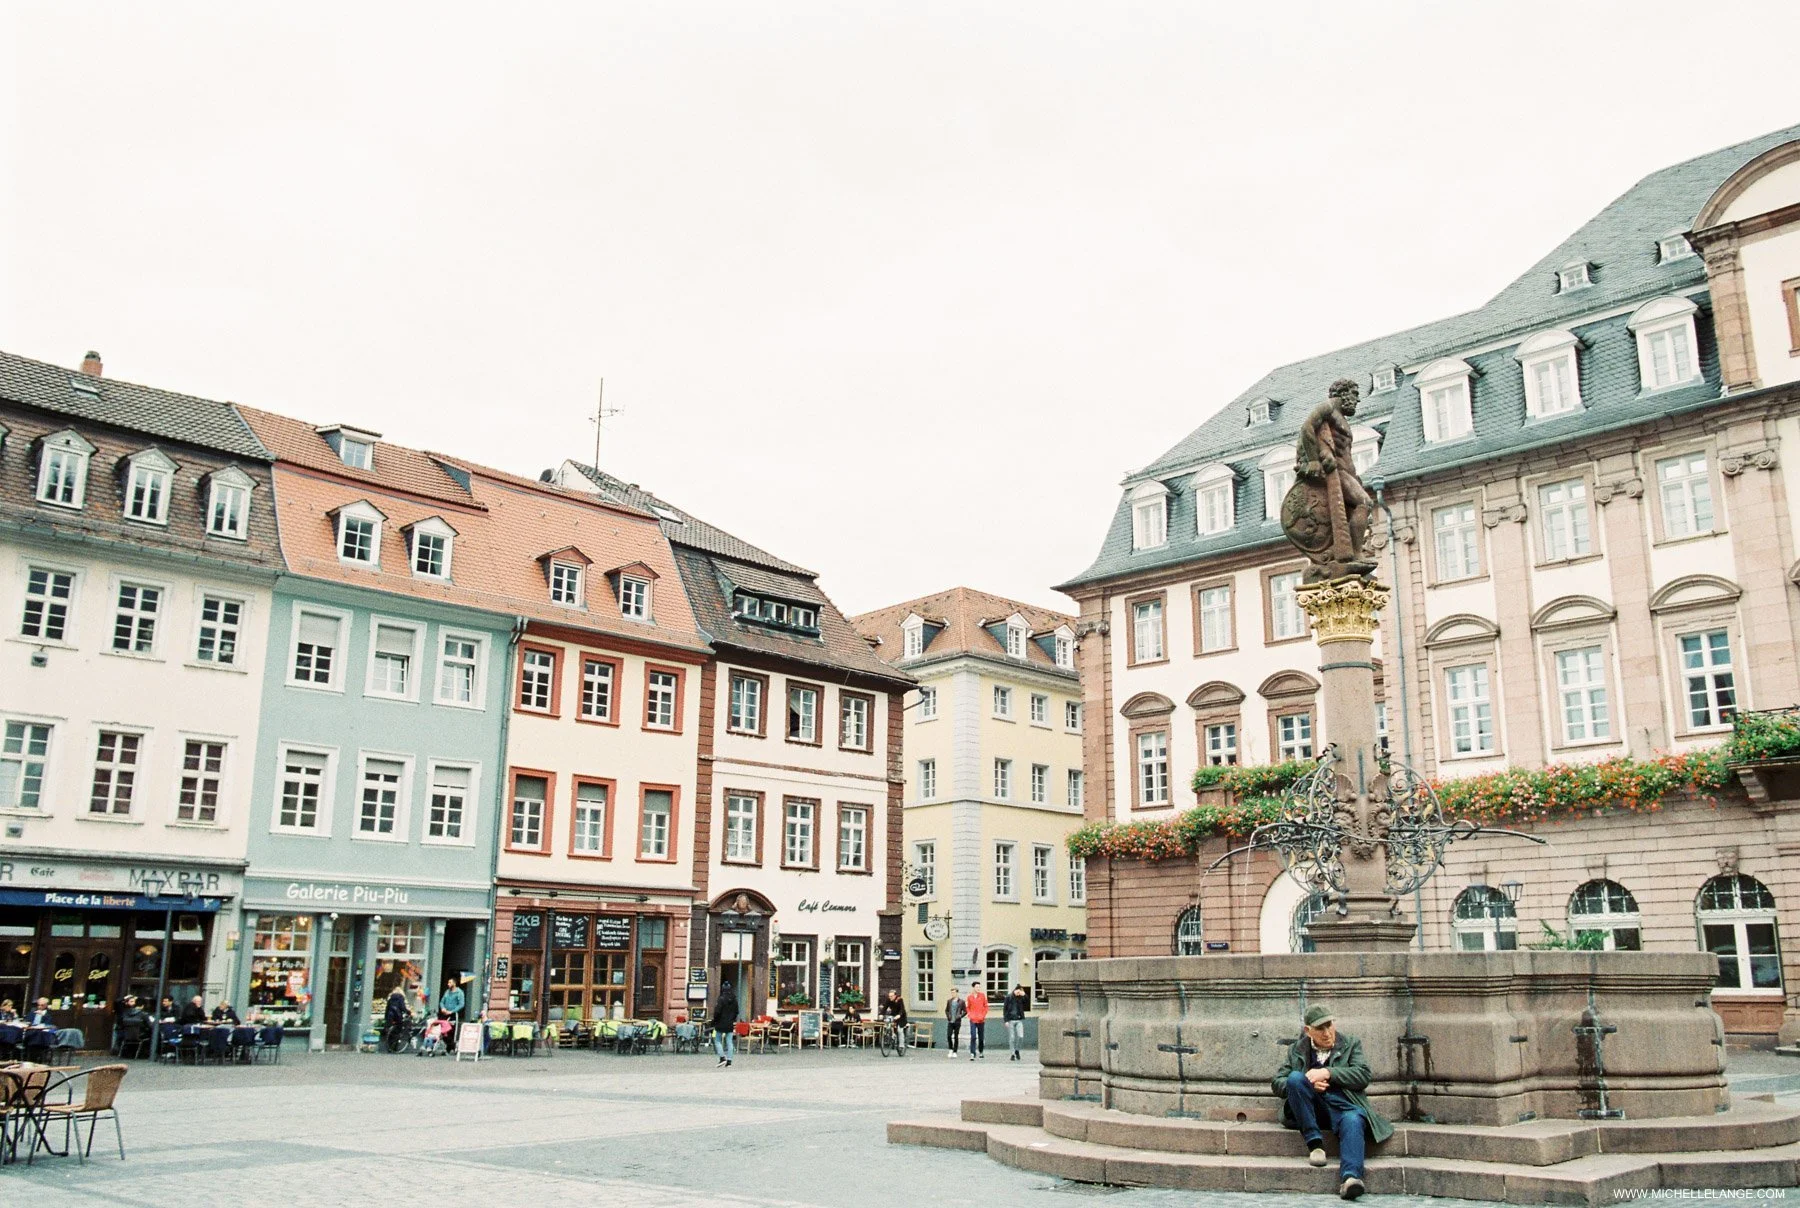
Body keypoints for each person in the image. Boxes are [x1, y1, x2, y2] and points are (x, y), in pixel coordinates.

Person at [1272, 1004, 1393, 1201]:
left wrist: (1328, 1072)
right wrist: (1307, 1082)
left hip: (1344, 1106)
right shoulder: (1297, 1049)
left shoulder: (1351, 1043)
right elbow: (1278, 1083)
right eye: (1320, 1028)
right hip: (1311, 1109)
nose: (1327, 1033)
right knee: (1294, 1078)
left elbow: (1363, 1075)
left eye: (1329, 1025)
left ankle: (1351, 1178)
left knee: (1353, 1120)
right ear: (1308, 1031)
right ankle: (1315, 1145)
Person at [711, 980, 739, 1067]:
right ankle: (729, 1061)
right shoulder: (734, 999)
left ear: (723, 989)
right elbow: (736, 1012)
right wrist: (732, 1019)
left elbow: (717, 1012)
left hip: (720, 1023)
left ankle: (722, 1058)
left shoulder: (721, 999)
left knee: (717, 1040)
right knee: (729, 1042)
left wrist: (714, 1021)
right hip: (730, 1023)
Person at [1003, 985, 1030, 1061]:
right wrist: (1005, 1020)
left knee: (1021, 1036)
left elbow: (1028, 1003)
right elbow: (1005, 1009)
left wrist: (1024, 995)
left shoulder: (1021, 998)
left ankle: (1017, 1050)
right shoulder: (1009, 997)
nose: (1018, 993)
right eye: (1018, 991)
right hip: (1010, 1019)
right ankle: (1012, 1054)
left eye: (1020, 992)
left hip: (1019, 1019)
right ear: (1015, 990)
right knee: (1012, 1038)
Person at [965, 979, 989, 1061]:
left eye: (979, 987)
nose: (978, 988)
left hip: (981, 1019)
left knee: (981, 1037)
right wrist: (969, 1014)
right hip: (973, 1019)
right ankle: (972, 1053)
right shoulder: (970, 997)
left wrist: (983, 1015)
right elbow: (967, 1007)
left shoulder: (982, 996)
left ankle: (981, 1051)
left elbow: (986, 1006)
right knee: (973, 1036)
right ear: (973, 988)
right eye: (977, 987)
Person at [383, 985, 410, 1051]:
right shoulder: (401, 998)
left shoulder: (390, 998)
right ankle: (395, 1047)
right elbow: (402, 1007)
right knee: (398, 1031)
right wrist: (408, 1012)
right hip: (397, 1016)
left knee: (391, 1031)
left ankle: (389, 1045)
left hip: (390, 1016)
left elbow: (387, 1008)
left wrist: (386, 1018)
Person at [944, 987, 965, 1058]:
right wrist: (948, 1017)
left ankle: (955, 1051)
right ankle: (950, 1049)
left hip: (957, 1022)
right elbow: (946, 1010)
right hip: (950, 1021)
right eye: (952, 992)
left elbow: (965, 1011)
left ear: (957, 993)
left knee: (956, 1036)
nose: (952, 994)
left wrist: (960, 1016)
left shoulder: (961, 1002)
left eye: (954, 992)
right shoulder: (949, 1001)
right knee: (949, 1035)